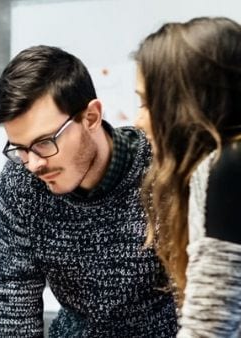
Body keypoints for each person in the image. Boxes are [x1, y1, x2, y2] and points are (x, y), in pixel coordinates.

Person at [0, 45, 178, 336]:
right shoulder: (20, 181)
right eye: (21, 149)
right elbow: (13, 296)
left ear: (90, 118)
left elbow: (195, 302)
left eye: (44, 142)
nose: (34, 164)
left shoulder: (162, 168)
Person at [134, 16, 241, 336]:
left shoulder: (227, 166)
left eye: (145, 102)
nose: (139, 121)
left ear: (184, 103)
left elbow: (209, 328)